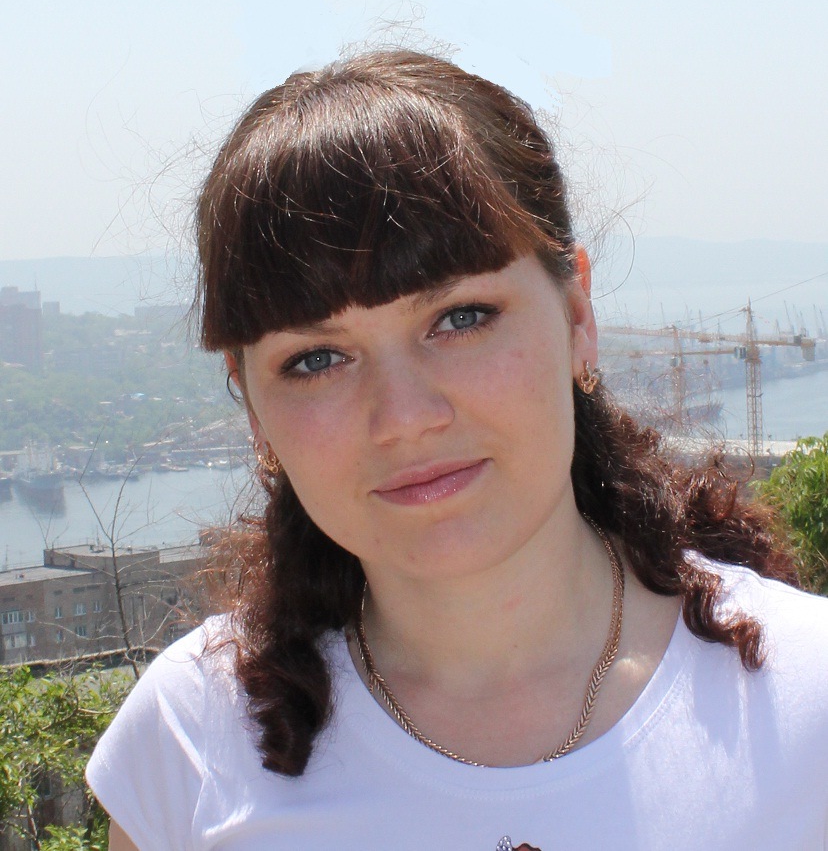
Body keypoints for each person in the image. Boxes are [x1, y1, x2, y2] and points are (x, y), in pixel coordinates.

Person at [87, 50, 828, 850]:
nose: (404, 417)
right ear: (253, 409)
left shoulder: (806, 703)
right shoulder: (190, 744)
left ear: (577, 315)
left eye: (461, 318)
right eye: (316, 359)